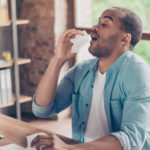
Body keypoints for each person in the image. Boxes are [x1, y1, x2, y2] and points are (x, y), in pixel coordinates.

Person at [31, 6, 150, 150]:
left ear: (125, 38)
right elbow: (42, 109)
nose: (94, 27)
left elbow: (132, 138)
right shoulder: (82, 70)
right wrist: (58, 59)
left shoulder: (138, 72)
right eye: (97, 22)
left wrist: (68, 148)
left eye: (104, 24)